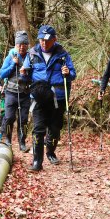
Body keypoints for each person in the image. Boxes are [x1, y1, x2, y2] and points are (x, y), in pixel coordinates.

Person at [21, 25, 76, 171]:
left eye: (47, 40)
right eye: (41, 40)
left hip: (58, 98)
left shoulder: (63, 54)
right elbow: (24, 75)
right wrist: (23, 74)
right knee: (38, 129)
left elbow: (73, 75)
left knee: (55, 128)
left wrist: (68, 72)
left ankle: (50, 152)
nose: (43, 43)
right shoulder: (32, 54)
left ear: (54, 39)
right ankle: (37, 161)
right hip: (39, 97)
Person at [0, 31, 32, 152]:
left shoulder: (31, 58)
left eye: (24, 44)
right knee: (9, 118)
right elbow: (2, 74)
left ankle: (22, 142)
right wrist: (13, 64)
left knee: (23, 120)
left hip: (25, 93)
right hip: (11, 93)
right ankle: (7, 139)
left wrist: (25, 75)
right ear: (16, 45)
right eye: (19, 44)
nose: (21, 47)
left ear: (27, 45)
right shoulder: (10, 57)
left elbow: (34, 76)